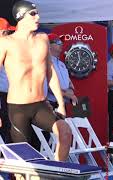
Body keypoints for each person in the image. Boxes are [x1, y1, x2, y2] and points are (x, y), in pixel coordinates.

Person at [0, 0, 72, 161]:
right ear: (20, 17)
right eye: (33, 14)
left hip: (40, 105)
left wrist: (60, 104)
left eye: (38, 13)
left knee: (65, 132)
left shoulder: (43, 39)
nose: (38, 17)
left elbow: (50, 72)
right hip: (17, 108)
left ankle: (58, 173)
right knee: (23, 160)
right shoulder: (6, 43)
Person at [47, 33, 78, 109]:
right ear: (48, 45)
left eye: (61, 42)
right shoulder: (45, 63)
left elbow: (69, 83)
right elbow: (48, 86)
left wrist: (71, 93)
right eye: (58, 42)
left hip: (62, 103)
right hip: (51, 104)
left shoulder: (62, 64)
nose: (61, 44)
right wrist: (67, 95)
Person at [0, 18, 16, 144]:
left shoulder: (6, 50)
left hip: (9, 97)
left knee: (9, 130)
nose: (9, 36)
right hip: (2, 97)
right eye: (7, 32)